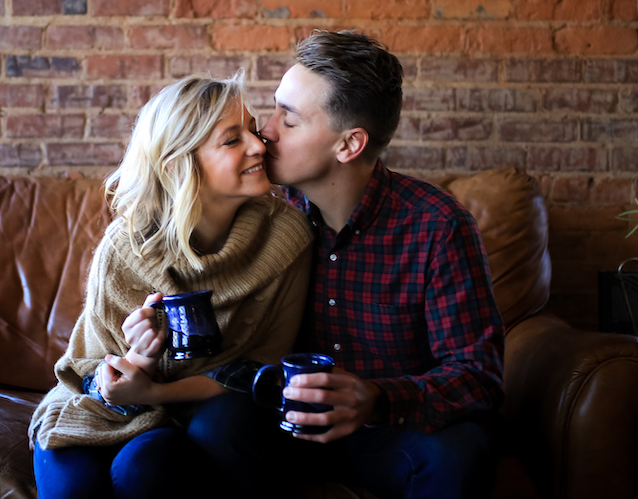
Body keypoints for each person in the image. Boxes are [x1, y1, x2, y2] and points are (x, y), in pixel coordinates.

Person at [195, 30, 505, 499]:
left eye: (290, 120)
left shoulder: (438, 225)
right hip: (284, 426)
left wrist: (380, 399)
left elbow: (478, 375)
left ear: (349, 145)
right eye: (274, 108)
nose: (266, 131)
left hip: (391, 432)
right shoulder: (265, 213)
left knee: (459, 455)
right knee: (214, 428)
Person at [27, 73, 313, 499]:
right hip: (98, 409)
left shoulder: (286, 238)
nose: (259, 145)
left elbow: (260, 365)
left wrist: (156, 390)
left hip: (187, 415)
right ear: (179, 164)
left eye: (252, 130)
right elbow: (88, 371)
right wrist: (137, 362)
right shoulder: (126, 249)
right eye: (232, 140)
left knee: (144, 468)